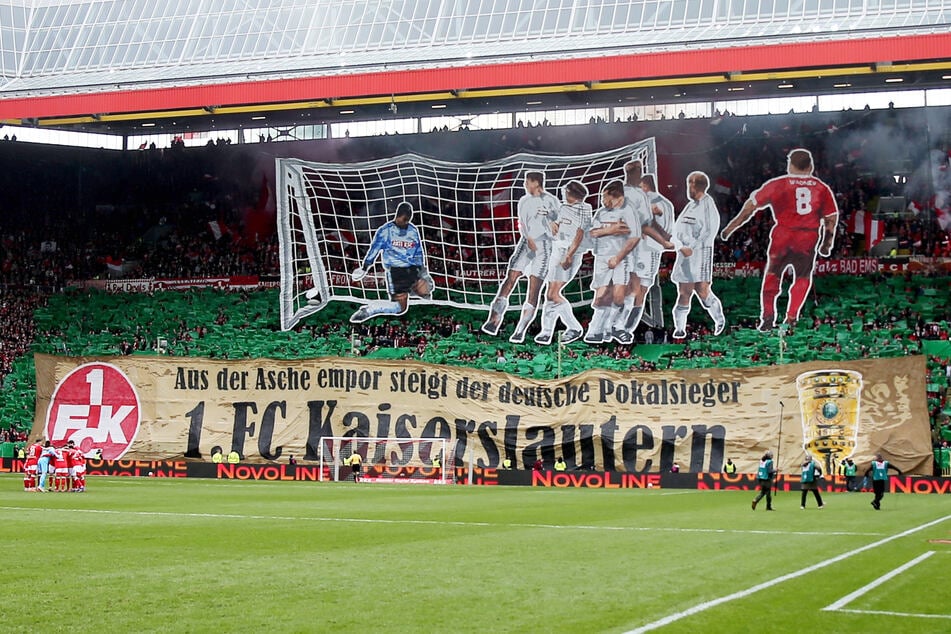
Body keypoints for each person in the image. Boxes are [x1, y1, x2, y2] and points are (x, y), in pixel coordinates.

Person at [719, 148, 839, 331]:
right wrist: (826, 242)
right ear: (810, 166)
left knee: (773, 274)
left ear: (790, 165)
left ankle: (767, 317)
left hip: (782, 235)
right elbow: (831, 219)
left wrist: (730, 228)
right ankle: (791, 316)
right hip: (807, 237)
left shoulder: (778, 184)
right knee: (802, 276)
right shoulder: (821, 188)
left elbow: (750, 208)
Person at [482, 171, 559, 342]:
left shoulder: (551, 200)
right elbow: (522, 224)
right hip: (527, 243)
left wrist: (552, 220)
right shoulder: (524, 201)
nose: (525, 184)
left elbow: (557, 221)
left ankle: (520, 329)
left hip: (544, 245)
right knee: (511, 277)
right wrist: (529, 239)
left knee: (534, 287)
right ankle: (494, 320)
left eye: (527, 181)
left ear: (536, 183)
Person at [347, 201, 433, 323]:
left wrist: (422, 270)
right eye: (403, 219)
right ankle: (370, 309)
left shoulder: (413, 230)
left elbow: (418, 251)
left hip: (412, 269)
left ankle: (416, 290)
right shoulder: (385, 231)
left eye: (407, 220)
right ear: (397, 215)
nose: (404, 222)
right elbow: (374, 249)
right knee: (400, 308)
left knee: (427, 290)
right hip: (395, 271)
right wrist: (365, 266)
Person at [534, 180, 591, 345]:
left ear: (570, 193)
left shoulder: (584, 209)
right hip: (557, 251)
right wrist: (549, 221)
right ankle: (547, 331)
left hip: (568, 254)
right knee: (549, 293)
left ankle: (573, 328)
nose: (563, 193)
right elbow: (557, 228)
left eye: (565, 191)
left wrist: (569, 255)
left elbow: (579, 235)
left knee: (552, 294)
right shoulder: (564, 208)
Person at [584, 180, 641, 344]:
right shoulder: (601, 212)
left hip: (620, 259)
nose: (602, 201)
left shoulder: (629, 211)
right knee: (601, 295)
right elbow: (593, 233)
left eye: (605, 197)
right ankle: (596, 330)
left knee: (618, 296)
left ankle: (613, 327)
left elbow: (634, 237)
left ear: (616, 197)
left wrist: (618, 257)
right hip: (602, 257)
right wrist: (612, 230)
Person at [670, 171, 725, 339]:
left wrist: (692, 247)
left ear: (696, 186)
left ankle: (719, 319)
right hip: (684, 254)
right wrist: (680, 246)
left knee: (702, 290)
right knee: (684, 291)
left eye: (689, 184)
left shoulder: (708, 205)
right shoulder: (690, 206)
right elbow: (676, 230)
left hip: (700, 254)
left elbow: (709, 232)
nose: (688, 188)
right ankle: (680, 328)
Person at [623, 172, 675, 333]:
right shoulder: (665, 203)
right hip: (644, 249)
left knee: (638, 288)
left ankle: (626, 326)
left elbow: (663, 230)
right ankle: (626, 325)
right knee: (635, 286)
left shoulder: (653, 203)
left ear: (645, 186)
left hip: (648, 250)